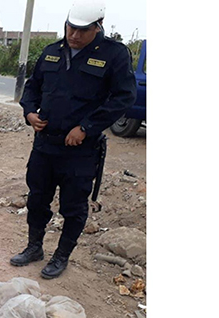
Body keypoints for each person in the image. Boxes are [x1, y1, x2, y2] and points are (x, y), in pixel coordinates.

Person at [12, 0, 136, 279]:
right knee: (37, 199)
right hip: (45, 144)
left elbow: (124, 98)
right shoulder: (52, 51)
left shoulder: (114, 55)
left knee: (73, 206)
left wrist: (86, 127)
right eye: (71, 28)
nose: (74, 35)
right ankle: (34, 247)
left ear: (98, 27)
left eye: (83, 30)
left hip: (80, 150)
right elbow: (32, 88)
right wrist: (29, 113)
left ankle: (61, 255)